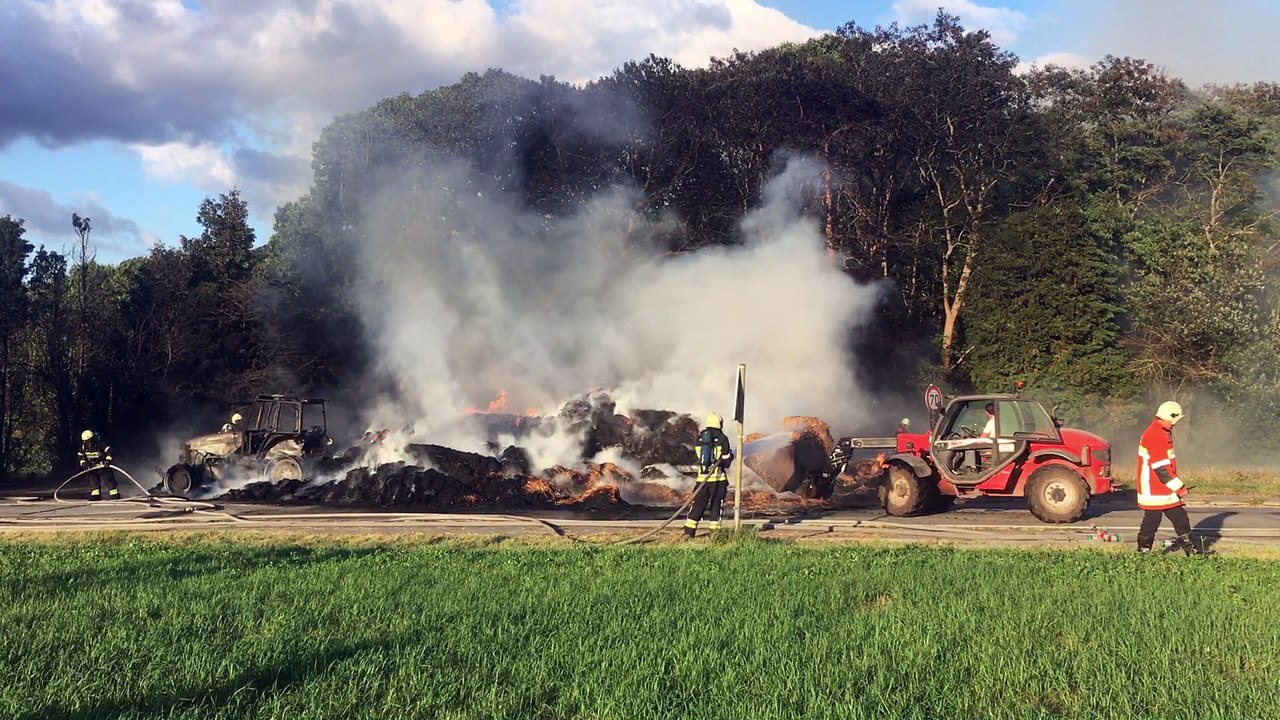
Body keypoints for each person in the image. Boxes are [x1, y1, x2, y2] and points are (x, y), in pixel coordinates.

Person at [1136, 401, 1203, 555]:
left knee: (1180, 518)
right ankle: (1143, 552)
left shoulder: (1161, 430)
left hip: (1161, 486)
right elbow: (1161, 469)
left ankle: (1191, 551)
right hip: (1154, 486)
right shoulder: (1156, 434)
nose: (1176, 424)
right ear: (1171, 417)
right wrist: (1179, 487)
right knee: (1152, 520)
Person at [683, 412, 735, 538]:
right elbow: (726, 462)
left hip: (702, 480)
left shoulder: (700, 437)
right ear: (720, 423)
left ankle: (689, 533)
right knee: (716, 506)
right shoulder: (723, 438)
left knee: (698, 505)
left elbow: (698, 458)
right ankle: (715, 534)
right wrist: (731, 456)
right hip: (718, 479)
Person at [78, 429, 119, 500]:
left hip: (103, 466)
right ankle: (96, 494)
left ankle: (114, 494)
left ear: (92, 439)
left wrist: (107, 461)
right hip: (92, 467)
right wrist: (85, 465)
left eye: (88, 440)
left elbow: (110, 452)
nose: (87, 443)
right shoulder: (83, 447)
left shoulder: (100, 444)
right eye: (85, 441)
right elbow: (81, 457)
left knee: (108, 478)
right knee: (93, 479)